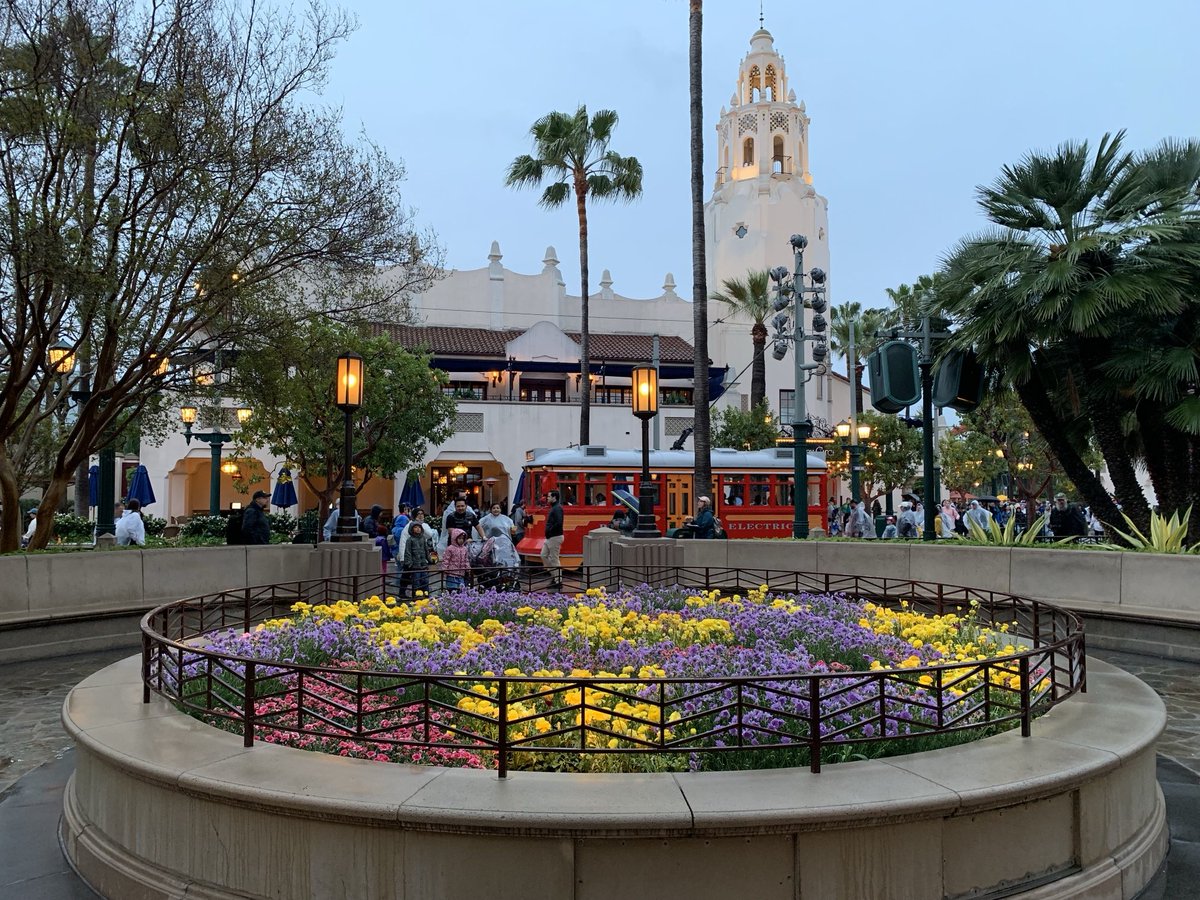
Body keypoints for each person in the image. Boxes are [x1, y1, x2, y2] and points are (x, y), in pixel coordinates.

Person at [404, 520, 434, 595]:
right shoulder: (410, 540)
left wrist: (430, 560)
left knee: (425, 582)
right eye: (415, 527)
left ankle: (426, 596)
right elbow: (408, 552)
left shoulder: (423, 538)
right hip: (415, 566)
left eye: (419, 527)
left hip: (423, 565)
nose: (418, 529)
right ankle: (416, 597)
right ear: (412, 529)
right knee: (416, 583)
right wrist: (409, 563)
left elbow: (426, 550)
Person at [541, 490, 564, 589]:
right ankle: (555, 576)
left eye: (549, 496)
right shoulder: (554, 508)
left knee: (554, 559)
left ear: (554, 498)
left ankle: (558, 580)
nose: (547, 498)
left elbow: (559, 522)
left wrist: (549, 530)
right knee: (543, 555)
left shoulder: (557, 509)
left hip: (554, 536)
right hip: (551, 537)